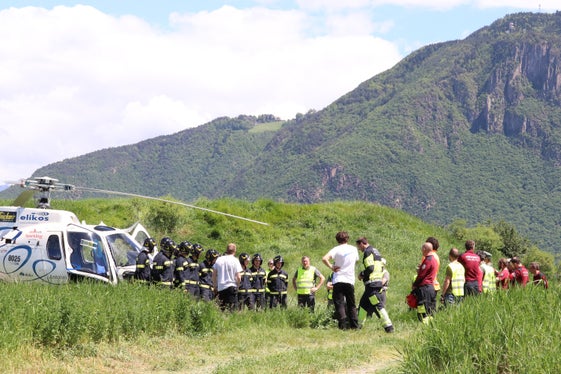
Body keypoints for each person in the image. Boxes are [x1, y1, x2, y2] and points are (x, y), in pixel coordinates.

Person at [322, 231, 359, 330]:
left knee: (339, 303)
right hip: (350, 280)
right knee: (351, 304)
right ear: (347, 239)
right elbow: (356, 260)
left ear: (337, 240)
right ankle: (354, 325)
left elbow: (324, 258)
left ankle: (343, 325)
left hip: (338, 279)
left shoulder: (336, 249)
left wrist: (332, 267)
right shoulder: (354, 249)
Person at [356, 237, 394, 332]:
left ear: (362, 244)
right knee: (363, 305)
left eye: (358, 246)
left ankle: (389, 327)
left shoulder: (367, 252)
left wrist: (361, 274)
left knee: (378, 305)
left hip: (372, 283)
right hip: (375, 282)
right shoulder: (375, 250)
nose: (359, 249)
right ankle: (358, 326)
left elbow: (370, 268)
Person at [213, 243, 243, 311]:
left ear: (226, 250)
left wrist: (215, 286)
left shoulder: (219, 259)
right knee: (231, 310)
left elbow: (214, 274)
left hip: (221, 288)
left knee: (222, 310)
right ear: (235, 251)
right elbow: (238, 277)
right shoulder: (235, 260)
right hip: (231, 287)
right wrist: (237, 286)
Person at [412, 242, 437, 323]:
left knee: (423, 308)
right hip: (430, 287)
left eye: (422, 248)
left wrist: (414, 284)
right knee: (431, 309)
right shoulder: (434, 259)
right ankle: (430, 324)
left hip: (425, 288)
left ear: (424, 249)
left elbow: (421, 275)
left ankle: (423, 324)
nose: (421, 250)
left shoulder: (428, 260)